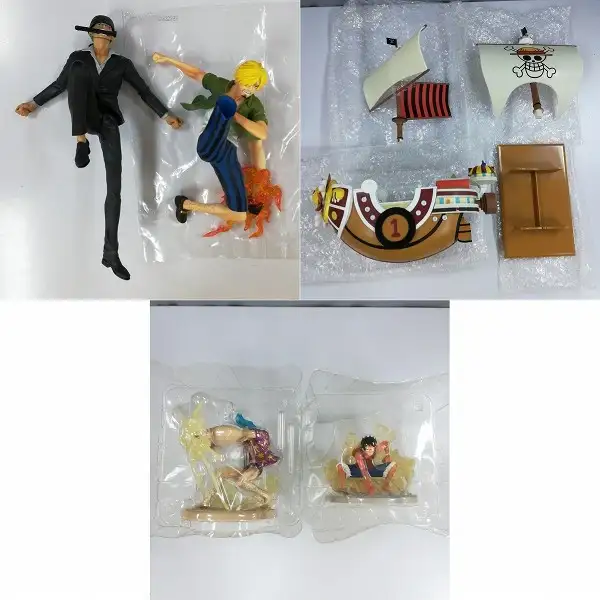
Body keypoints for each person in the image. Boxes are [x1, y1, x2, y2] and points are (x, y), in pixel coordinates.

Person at [15, 15, 183, 281]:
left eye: (107, 32)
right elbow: (59, 85)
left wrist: (166, 115)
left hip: (107, 120)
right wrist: (32, 104)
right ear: (91, 35)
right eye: (98, 31)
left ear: (112, 38)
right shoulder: (78, 58)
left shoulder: (122, 63)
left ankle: (110, 253)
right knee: (78, 72)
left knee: (114, 189)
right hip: (83, 117)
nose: (102, 36)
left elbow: (143, 91)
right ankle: (80, 141)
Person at [151, 53, 269, 227]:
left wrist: (237, 117)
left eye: (255, 87)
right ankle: (224, 110)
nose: (250, 90)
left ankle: (185, 205)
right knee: (222, 114)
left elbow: (262, 133)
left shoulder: (254, 104)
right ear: (239, 77)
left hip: (227, 151)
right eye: (248, 83)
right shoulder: (222, 85)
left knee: (239, 215)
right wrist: (169, 60)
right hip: (210, 141)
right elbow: (196, 73)